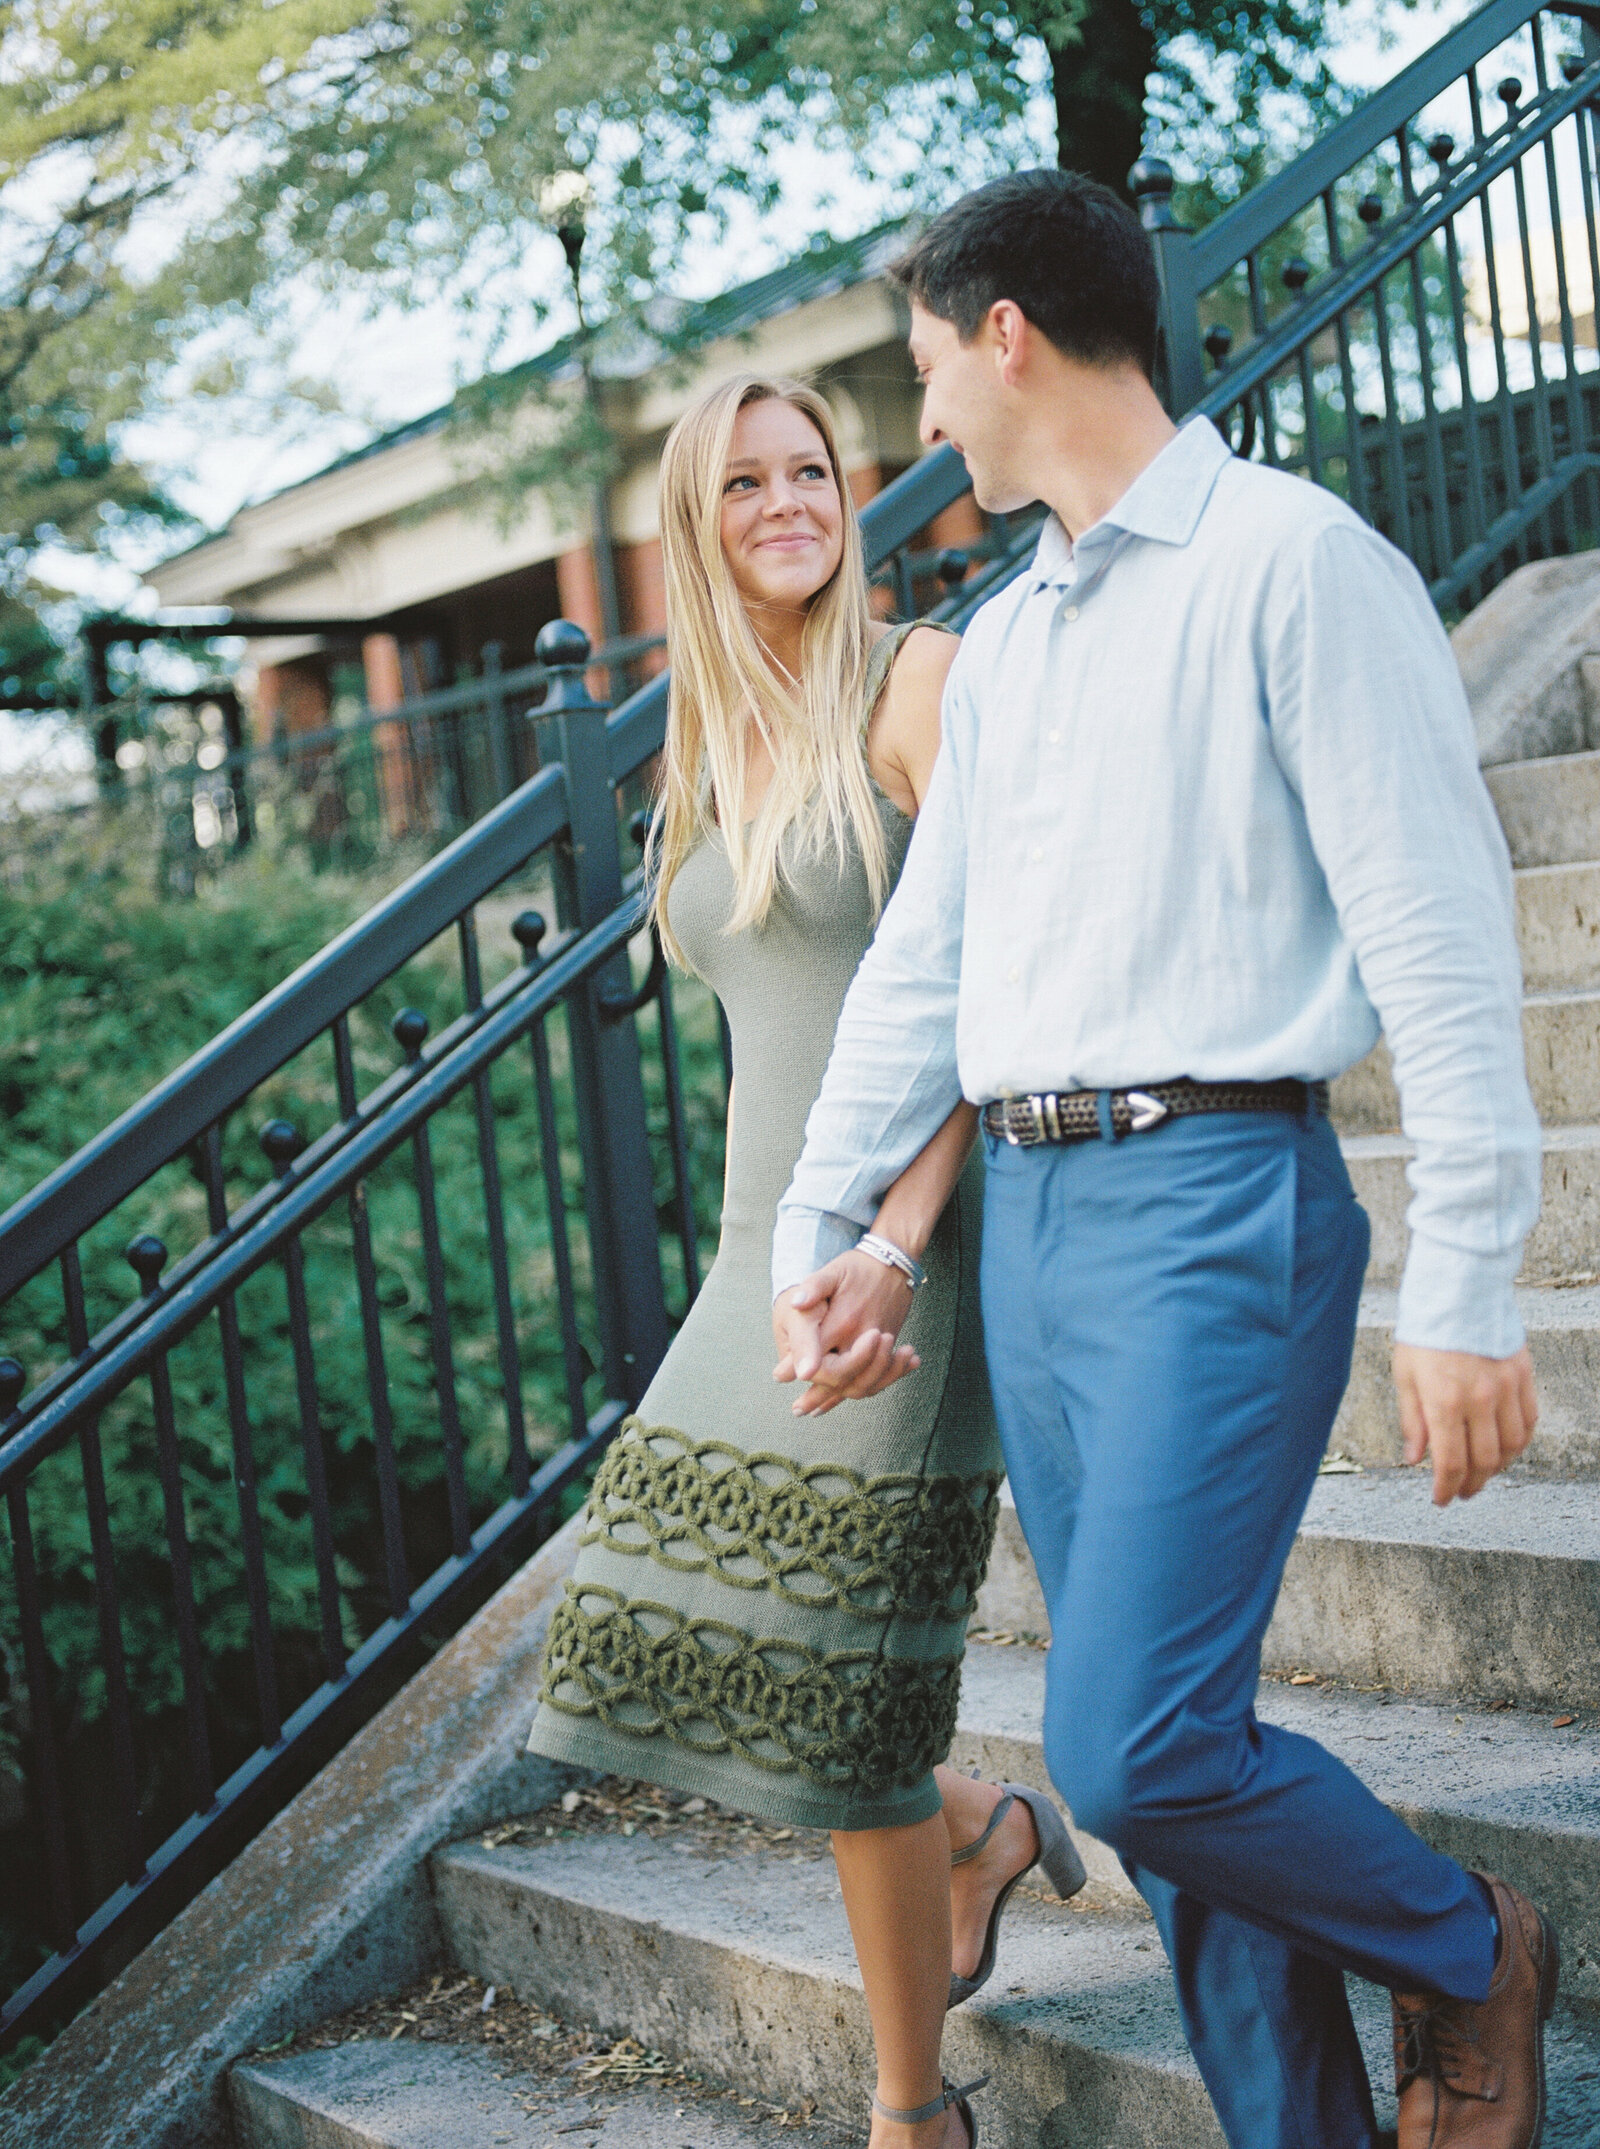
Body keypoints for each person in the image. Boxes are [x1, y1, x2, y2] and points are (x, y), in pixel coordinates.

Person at [771, 171, 1556, 2149]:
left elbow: (1446, 949)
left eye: (927, 361)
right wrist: (829, 1221)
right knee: (1181, 1738)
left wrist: (1463, 1285)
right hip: (1028, 1225)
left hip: (1218, 1209)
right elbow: (922, 968)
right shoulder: (1006, 645)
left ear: (1004, 329)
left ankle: (1466, 1946)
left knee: (1122, 1751)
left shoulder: (1295, 563)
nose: (923, 416)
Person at [527, 371, 1085, 2149]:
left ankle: (914, 2112)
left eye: (813, 470)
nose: (790, 501)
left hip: (914, 1236)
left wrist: (904, 1238)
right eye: (748, 480)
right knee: (658, 1628)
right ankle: (978, 1822)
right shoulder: (699, 732)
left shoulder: (915, 683)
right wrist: (778, 1241)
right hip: (761, 1242)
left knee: (844, 1694)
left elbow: (994, 987)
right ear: (696, 522)